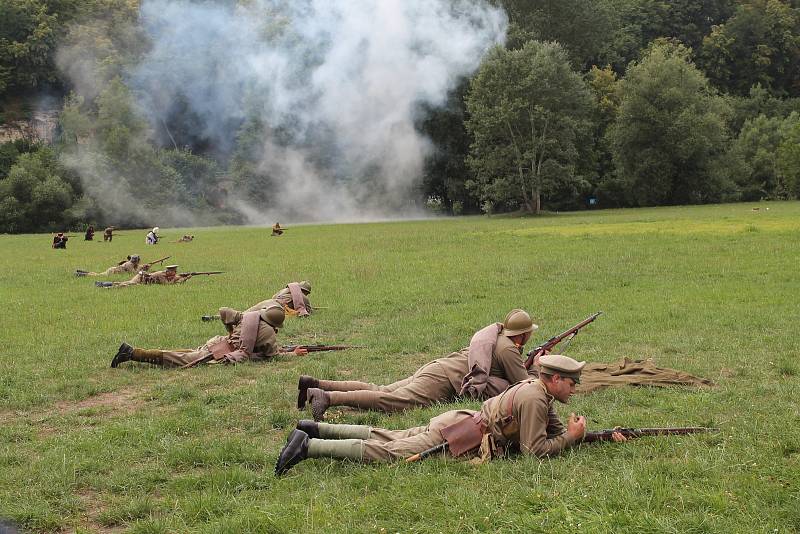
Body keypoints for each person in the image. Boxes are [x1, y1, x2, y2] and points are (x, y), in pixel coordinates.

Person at [275, 354, 627, 476]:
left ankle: (314, 427)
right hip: (464, 434)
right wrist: (572, 438)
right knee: (392, 452)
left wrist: (590, 435)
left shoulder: (540, 394)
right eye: (572, 382)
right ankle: (308, 446)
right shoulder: (536, 398)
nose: (575, 388)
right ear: (553, 379)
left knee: (393, 438)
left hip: (459, 422)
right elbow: (536, 451)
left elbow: (549, 434)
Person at [301, 309, 537, 420]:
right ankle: (328, 398)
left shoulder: (497, 338)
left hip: (438, 368)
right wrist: (537, 365)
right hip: (442, 381)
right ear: (523, 334)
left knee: (382, 389)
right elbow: (525, 386)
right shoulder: (508, 348)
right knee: (392, 401)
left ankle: (316, 384)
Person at [110, 300, 308, 368]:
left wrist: (230, 333)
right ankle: (132, 353)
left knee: (184, 354)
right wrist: (293, 353)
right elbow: (273, 356)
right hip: (221, 354)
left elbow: (224, 312)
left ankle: (135, 353)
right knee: (181, 359)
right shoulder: (267, 333)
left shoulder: (250, 316)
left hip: (218, 343)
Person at [95, 265, 191, 288]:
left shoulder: (165, 274)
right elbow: (167, 285)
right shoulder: (161, 275)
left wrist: (179, 277)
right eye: (174, 272)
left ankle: (103, 284)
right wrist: (183, 279)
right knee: (128, 285)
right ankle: (107, 288)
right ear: (169, 271)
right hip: (141, 279)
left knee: (125, 283)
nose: (175, 273)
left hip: (142, 278)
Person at [76, 254, 150, 277]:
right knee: (97, 275)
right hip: (113, 271)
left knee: (97, 274)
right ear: (136, 261)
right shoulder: (129, 265)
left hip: (112, 270)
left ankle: (81, 273)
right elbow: (133, 273)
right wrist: (143, 269)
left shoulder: (130, 263)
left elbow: (137, 268)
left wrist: (142, 267)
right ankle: (80, 274)